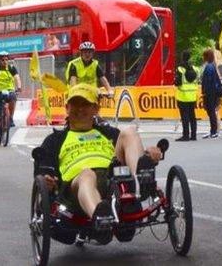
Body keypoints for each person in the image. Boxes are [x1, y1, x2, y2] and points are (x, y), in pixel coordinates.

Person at [34, 84, 163, 238]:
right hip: (77, 188)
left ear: (96, 109)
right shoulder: (55, 139)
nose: (80, 109)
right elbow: (43, 170)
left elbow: (129, 148)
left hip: (113, 181)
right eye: (75, 104)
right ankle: (100, 218)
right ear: (67, 107)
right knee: (88, 174)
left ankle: (143, 178)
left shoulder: (109, 133)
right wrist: (47, 178)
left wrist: (150, 155)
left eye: (85, 104)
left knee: (129, 132)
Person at [0, 52, 22, 134]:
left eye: (6, 60)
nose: (5, 62)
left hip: (9, 90)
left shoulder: (11, 68)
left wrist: (19, 87)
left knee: (13, 97)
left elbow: (17, 78)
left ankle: (10, 118)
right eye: (2, 60)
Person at [174, 52, 198, 142]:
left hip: (183, 96)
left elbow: (178, 82)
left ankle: (185, 135)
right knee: (192, 116)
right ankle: (194, 135)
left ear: (182, 57)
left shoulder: (180, 69)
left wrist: (175, 81)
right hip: (192, 96)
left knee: (185, 117)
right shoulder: (195, 69)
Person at [199, 48, 222, 139]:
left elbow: (208, 81)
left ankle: (213, 131)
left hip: (210, 93)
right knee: (212, 111)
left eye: (204, 55)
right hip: (212, 92)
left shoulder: (208, 67)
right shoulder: (212, 66)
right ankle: (213, 130)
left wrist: (205, 91)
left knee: (211, 111)